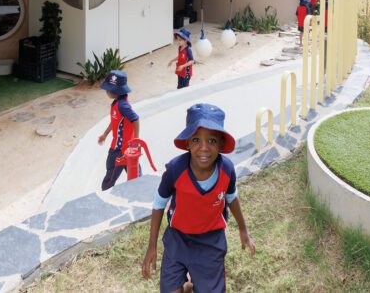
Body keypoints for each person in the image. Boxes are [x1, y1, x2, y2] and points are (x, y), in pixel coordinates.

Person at [141, 103, 254, 292]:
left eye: (211, 141)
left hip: (210, 242)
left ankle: (194, 281)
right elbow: (159, 203)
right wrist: (152, 246)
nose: (203, 148)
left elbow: (232, 197)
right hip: (177, 239)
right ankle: (186, 285)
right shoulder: (175, 170)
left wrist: (243, 229)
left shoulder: (226, 170)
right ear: (187, 143)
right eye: (196, 140)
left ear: (221, 144)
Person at [97, 69, 141, 190]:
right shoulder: (117, 103)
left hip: (119, 149)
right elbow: (115, 121)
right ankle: (139, 188)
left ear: (115, 91)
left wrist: (136, 140)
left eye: (108, 89)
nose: (106, 91)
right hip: (125, 148)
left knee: (110, 176)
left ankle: (105, 193)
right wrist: (105, 134)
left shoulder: (123, 106)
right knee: (135, 172)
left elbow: (136, 119)